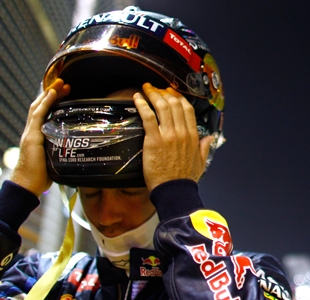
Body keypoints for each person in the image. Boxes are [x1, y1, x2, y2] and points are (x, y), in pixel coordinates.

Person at [0, 6, 292, 300]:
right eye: (90, 192)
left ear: (194, 160)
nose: (106, 216)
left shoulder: (255, 275)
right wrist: (16, 194)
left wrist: (177, 197)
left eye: (130, 190)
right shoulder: (44, 279)